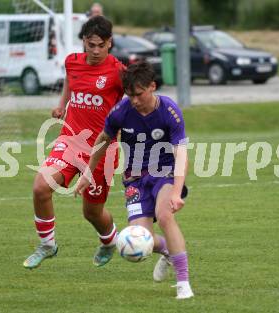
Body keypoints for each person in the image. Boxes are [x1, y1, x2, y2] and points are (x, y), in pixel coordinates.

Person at [75, 61, 194, 300]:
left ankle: (183, 283)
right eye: (130, 95)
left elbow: (181, 154)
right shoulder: (121, 111)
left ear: (152, 86)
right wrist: (88, 171)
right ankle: (170, 252)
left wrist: (176, 192)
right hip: (135, 178)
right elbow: (103, 140)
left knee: (164, 216)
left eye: (139, 94)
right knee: (141, 239)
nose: (135, 100)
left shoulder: (169, 111)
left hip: (165, 172)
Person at [23, 16, 125, 269]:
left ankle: (109, 241)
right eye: (91, 45)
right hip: (70, 139)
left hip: (102, 149)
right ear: (84, 42)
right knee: (40, 187)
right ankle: (47, 245)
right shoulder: (72, 62)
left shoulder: (118, 71)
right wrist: (62, 104)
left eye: (101, 45)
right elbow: (71, 81)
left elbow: (134, 98)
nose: (96, 50)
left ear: (110, 43)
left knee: (91, 212)